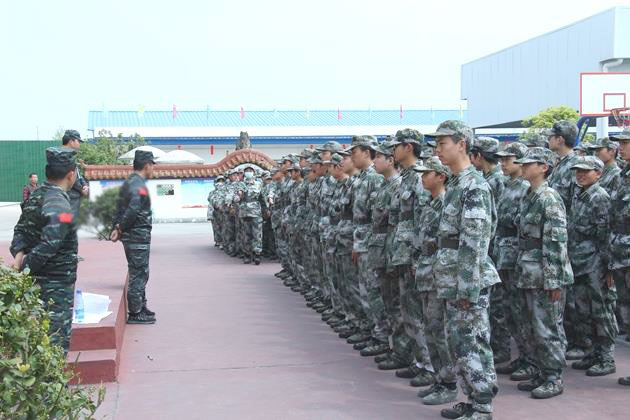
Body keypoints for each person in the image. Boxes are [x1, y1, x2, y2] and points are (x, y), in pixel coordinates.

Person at [430, 120, 499, 420]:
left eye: (443, 143)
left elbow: (474, 242)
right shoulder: (457, 183)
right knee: (458, 344)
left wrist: (467, 289)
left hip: (467, 281)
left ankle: (483, 406)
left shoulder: (474, 186)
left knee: (472, 343)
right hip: (453, 278)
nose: (438, 150)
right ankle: (471, 399)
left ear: (461, 144)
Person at [513, 147, 573, 399]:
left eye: (529, 164)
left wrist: (554, 280)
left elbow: (556, 242)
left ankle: (553, 377)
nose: (523, 167)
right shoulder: (530, 195)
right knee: (532, 326)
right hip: (529, 271)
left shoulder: (549, 198)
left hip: (544, 274)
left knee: (547, 327)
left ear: (543, 167)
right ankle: (541, 371)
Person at [10, 147, 79, 353]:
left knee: (36, 340)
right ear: (71, 175)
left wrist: (19, 257)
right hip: (55, 287)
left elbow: (20, 230)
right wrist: (24, 269)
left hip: (34, 284)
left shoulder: (36, 195)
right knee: (55, 342)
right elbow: (50, 243)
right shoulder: (60, 204)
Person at [412, 157, 458, 406]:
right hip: (426, 272)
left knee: (440, 331)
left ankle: (449, 383)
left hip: (440, 275)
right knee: (430, 328)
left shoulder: (447, 203)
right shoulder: (430, 204)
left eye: (427, 173)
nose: (422, 177)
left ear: (441, 176)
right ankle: (439, 378)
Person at [567, 156, 617, 377]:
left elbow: (605, 235)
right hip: (579, 261)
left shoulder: (600, 197)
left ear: (598, 173)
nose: (580, 175)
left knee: (601, 311)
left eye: (586, 171)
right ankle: (592, 353)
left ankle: (606, 357)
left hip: (595, 263)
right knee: (583, 310)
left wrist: (608, 268)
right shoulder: (580, 194)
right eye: (578, 171)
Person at [493, 142, 538, 382]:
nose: (503, 163)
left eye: (508, 159)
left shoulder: (525, 188)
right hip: (504, 254)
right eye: (501, 159)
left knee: (522, 312)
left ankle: (531, 360)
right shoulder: (506, 185)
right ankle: (522, 355)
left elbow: (523, 223)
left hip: (518, 256)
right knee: (510, 310)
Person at [544, 120, 584, 360]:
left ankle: (581, 342)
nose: (549, 139)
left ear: (560, 139)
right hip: (559, 237)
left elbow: (575, 205)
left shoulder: (574, 165)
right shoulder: (559, 164)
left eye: (552, 136)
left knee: (574, 297)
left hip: (569, 239)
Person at [471, 136, 509, 364]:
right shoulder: (486, 179)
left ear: (478, 156)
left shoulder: (496, 181)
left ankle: (502, 348)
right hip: (492, 247)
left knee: (498, 304)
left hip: (497, 248)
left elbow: (497, 219)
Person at [110, 150, 156, 325]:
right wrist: (120, 228)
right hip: (137, 236)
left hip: (133, 236)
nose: (153, 169)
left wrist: (116, 227)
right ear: (147, 165)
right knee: (139, 273)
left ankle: (141, 306)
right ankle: (136, 312)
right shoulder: (138, 185)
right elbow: (132, 210)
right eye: (152, 165)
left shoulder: (130, 182)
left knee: (140, 271)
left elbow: (118, 208)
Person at [607, 130, 630, 387]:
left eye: (625, 143)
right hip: (622, 254)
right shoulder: (624, 174)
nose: (620, 148)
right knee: (626, 313)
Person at [235, 165, 265, 265]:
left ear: (254, 173)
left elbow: (262, 198)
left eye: (250, 171)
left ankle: (257, 254)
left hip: (256, 212)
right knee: (245, 234)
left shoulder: (259, 184)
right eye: (247, 171)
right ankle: (247, 254)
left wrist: (266, 209)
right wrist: (239, 196)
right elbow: (236, 198)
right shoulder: (240, 184)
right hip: (244, 212)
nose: (249, 172)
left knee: (257, 234)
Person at [61, 130, 89, 219]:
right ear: (71, 141)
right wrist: (82, 189)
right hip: (68, 196)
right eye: (78, 141)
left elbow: (77, 174)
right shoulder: (62, 155)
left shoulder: (70, 155)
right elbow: (69, 176)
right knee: (66, 222)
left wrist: (85, 184)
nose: (79, 144)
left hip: (74, 197)